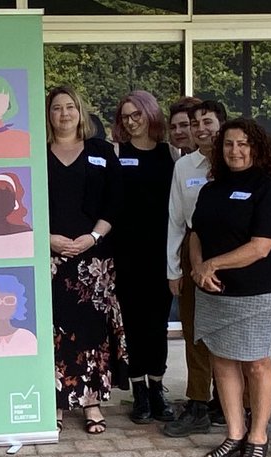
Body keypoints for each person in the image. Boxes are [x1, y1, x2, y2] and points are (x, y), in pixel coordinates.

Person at [190, 118, 271, 457]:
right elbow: (196, 233)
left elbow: (261, 247)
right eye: (229, 144)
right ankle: (234, 433)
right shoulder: (210, 189)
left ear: (257, 148)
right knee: (222, 360)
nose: (236, 150)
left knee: (256, 362)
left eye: (244, 143)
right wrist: (199, 268)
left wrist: (210, 265)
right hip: (213, 289)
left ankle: (258, 437)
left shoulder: (268, 189)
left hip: (257, 290)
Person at [46, 85, 128, 435]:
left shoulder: (101, 151)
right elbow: (22, 202)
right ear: (48, 116)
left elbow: (116, 201)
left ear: (80, 112)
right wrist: (46, 239)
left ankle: (92, 400)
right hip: (50, 256)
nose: (64, 114)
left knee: (92, 329)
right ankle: (58, 402)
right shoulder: (35, 152)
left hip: (93, 257)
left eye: (70, 107)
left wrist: (92, 237)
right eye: (56, 108)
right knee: (56, 330)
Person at [111, 90, 176, 424]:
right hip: (126, 254)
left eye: (137, 114)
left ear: (151, 115)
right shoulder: (116, 153)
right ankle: (139, 393)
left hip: (161, 253)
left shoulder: (171, 154)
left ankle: (157, 388)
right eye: (125, 116)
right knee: (133, 324)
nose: (131, 121)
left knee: (157, 325)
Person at [164, 100, 227, 437]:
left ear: (222, 124)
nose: (201, 129)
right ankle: (199, 403)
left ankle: (231, 402)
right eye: (195, 123)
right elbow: (176, 220)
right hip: (192, 250)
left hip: (233, 251)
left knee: (230, 330)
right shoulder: (185, 167)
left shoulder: (238, 159)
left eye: (208, 122)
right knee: (194, 330)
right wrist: (173, 268)